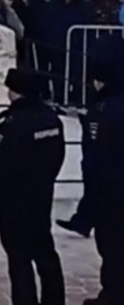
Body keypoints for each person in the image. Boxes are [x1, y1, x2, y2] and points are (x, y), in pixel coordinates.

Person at [0, 68, 66, 305]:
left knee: (19, 261)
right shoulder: (51, 120)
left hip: (14, 203)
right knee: (45, 253)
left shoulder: (12, 124)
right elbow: (58, 156)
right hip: (40, 197)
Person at [83, 65, 123, 305]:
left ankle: (113, 295)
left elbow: (99, 153)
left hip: (111, 191)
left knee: (112, 247)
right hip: (111, 188)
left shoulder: (106, 109)